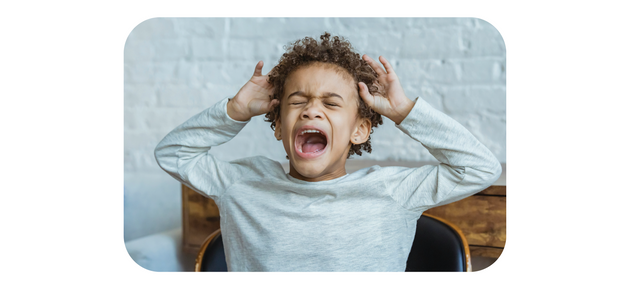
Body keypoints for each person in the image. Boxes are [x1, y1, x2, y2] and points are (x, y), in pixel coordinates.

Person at [155, 32, 501, 271]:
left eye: (331, 103)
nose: (311, 110)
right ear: (278, 126)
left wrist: (405, 111)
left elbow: (480, 168)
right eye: (297, 101)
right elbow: (172, 153)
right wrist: (235, 110)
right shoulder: (241, 184)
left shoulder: (393, 192)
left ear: (359, 130)